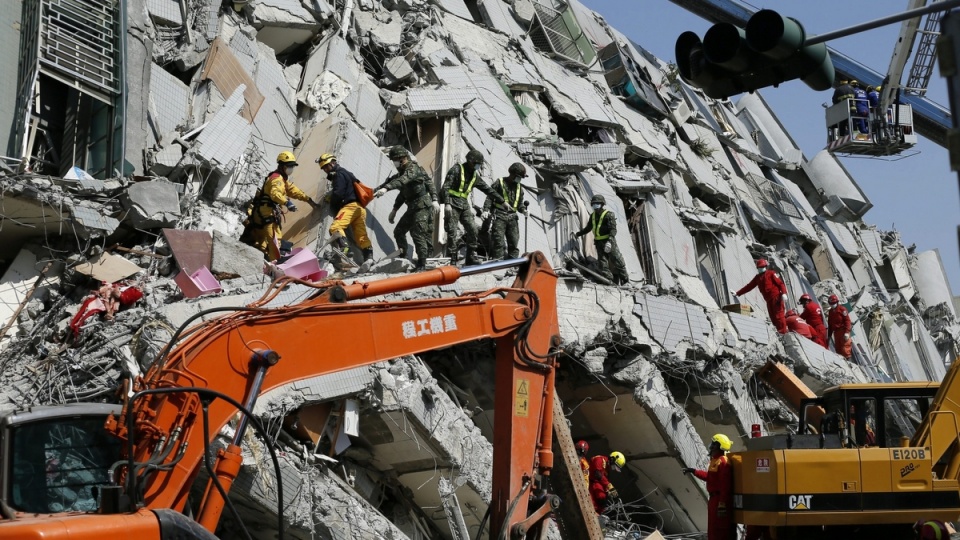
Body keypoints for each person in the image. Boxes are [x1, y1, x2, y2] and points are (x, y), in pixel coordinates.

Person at [374, 146, 439, 271]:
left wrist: (386, 189)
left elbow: (402, 181)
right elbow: (402, 193)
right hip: (412, 207)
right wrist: (394, 209)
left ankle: (422, 264)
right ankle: (403, 257)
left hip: (422, 205)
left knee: (418, 233)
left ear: (401, 158)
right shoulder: (400, 173)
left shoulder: (412, 169)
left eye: (394, 160)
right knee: (399, 231)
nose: (394, 163)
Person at [247, 151, 318, 261]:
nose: (291, 168)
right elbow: (275, 194)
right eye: (289, 166)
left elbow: (293, 191)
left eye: (292, 166)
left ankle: (264, 261)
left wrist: (307, 199)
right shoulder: (276, 179)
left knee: (263, 241)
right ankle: (276, 264)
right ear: (282, 166)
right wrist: (287, 202)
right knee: (274, 239)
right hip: (266, 212)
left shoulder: (282, 179)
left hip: (263, 212)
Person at [439, 149, 503, 265]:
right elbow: (446, 187)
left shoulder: (474, 176)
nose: (477, 165)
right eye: (476, 163)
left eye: (479, 164)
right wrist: (447, 203)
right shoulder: (457, 169)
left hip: (463, 205)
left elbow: (487, 189)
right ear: (470, 161)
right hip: (452, 204)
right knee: (452, 232)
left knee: (473, 229)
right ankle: (452, 259)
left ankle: (470, 257)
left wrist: (502, 201)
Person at [319, 153, 373, 263]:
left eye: (326, 166)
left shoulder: (339, 174)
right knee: (361, 236)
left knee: (335, 227)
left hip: (350, 207)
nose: (325, 170)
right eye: (323, 168)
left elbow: (338, 193)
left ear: (333, 163)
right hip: (359, 209)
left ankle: (345, 249)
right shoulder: (347, 173)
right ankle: (369, 258)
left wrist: (332, 200)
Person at [682, 434, 736, 540]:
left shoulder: (723, 462)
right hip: (714, 500)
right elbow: (711, 477)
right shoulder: (715, 460)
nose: (711, 446)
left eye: (713, 444)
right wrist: (694, 471)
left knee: (720, 530)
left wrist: (722, 504)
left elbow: (726, 485)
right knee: (712, 529)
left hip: (719, 500)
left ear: (718, 446)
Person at [574, 195, 629, 285]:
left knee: (618, 261)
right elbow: (588, 228)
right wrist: (578, 234)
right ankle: (609, 281)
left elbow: (613, 229)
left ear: (602, 204)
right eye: (594, 204)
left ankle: (626, 281)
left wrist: (610, 241)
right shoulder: (592, 216)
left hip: (609, 242)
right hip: (599, 243)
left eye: (597, 203)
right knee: (603, 264)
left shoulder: (609, 215)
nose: (595, 205)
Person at [483, 162, 528, 260]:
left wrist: (524, 210)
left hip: (512, 218)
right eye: (518, 177)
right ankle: (498, 263)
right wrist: (486, 210)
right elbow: (490, 197)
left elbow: (519, 204)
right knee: (498, 242)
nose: (519, 179)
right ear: (512, 175)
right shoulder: (500, 182)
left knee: (514, 242)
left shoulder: (520, 188)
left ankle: (513, 264)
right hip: (499, 216)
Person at [734, 259, 788, 334]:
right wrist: (737, 293)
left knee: (779, 315)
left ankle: (783, 332)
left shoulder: (771, 273)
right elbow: (749, 286)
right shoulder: (757, 278)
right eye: (759, 268)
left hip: (776, 298)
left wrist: (784, 293)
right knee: (773, 317)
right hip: (768, 300)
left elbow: (780, 284)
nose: (760, 269)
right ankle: (779, 332)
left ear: (765, 266)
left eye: (762, 267)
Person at [828, 294, 853, 359]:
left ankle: (849, 362)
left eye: (833, 303)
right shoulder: (831, 312)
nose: (832, 305)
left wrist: (847, 332)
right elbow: (830, 324)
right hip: (836, 333)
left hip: (843, 331)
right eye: (831, 303)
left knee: (845, 349)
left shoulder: (842, 309)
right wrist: (829, 335)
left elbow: (847, 321)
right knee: (838, 349)